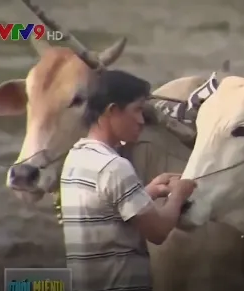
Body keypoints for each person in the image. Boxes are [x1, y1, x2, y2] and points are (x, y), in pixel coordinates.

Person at [59, 69, 196, 291]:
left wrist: (147, 192)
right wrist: (179, 195)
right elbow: (158, 232)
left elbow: (107, 208)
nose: (142, 120)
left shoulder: (76, 158)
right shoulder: (115, 167)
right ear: (112, 111)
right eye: (137, 110)